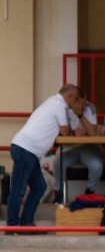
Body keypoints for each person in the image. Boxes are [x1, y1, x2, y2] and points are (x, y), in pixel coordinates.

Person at [7, 85, 86, 227]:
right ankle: (12, 226)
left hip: (28, 151)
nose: (75, 104)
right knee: (18, 190)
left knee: (39, 186)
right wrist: (74, 126)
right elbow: (65, 131)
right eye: (75, 100)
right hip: (26, 149)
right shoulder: (60, 105)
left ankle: (26, 224)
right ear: (69, 97)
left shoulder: (53, 102)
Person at [58, 97, 104, 196]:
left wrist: (80, 115)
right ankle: (58, 192)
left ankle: (89, 192)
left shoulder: (90, 107)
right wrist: (74, 134)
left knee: (97, 165)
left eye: (84, 103)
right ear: (73, 102)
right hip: (70, 148)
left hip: (87, 148)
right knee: (57, 162)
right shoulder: (65, 108)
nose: (82, 106)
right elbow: (61, 134)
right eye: (79, 103)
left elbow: (93, 133)